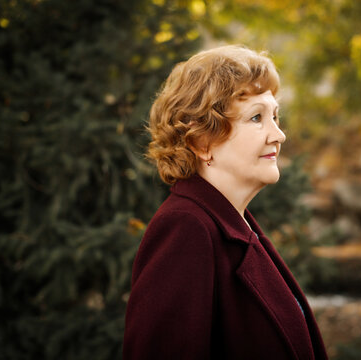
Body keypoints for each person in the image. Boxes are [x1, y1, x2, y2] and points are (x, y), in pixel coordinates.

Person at [123, 45, 328, 360]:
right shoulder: (185, 229)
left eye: (275, 116)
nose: (279, 135)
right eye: (257, 117)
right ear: (201, 141)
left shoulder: (235, 224)